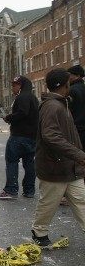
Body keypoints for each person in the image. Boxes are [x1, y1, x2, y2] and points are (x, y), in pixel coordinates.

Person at [30, 68, 85, 247]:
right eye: (69, 82)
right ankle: (39, 232)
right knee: (49, 203)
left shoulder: (62, 103)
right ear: (63, 85)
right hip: (55, 167)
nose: (71, 85)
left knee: (81, 201)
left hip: (71, 167)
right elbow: (51, 136)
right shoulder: (52, 106)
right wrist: (79, 154)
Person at [0, 76, 39, 200]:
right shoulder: (33, 98)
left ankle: (11, 190)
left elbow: (22, 113)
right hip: (32, 137)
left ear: (20, 85)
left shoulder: (22, 97)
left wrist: (9, 118)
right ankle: (29, 190)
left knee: (11, 162)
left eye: (14, 85)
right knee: (29, 164)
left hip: (18, 137)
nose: (12, 88)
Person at [68, 65, 85, 149]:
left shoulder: (71, 90)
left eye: (69, 75)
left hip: (77, 129)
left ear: (77, 75)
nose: (68, 77)